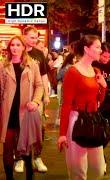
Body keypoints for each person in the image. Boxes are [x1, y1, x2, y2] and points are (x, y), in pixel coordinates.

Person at [57, 35, 107, 180]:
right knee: (78, 171)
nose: (100, 50)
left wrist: (104, 87)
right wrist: (62, 134)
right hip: (76, 121)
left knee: (98, 169)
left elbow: (99, 102)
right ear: (86, 49)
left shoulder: (96, 71)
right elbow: (66, 104)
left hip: (93, 121)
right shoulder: (73, 72)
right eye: (97, 47)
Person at [0, 36, 43, 180]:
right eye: (12, 45)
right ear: (9, 48)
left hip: (26, 111)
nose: (15, 47)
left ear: (23, 47)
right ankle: (9, 177)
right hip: (8, 112)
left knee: (26, 148)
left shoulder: (32, 65)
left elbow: (39, 85)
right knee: (7, 148)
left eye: (18, 45)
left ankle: (30, 175)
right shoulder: (3, 66)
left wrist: (36, 101)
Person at [15, 26, 48, 173]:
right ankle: (20, 158)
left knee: (39, 128)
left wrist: (45, 95)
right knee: (19, 128)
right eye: (32, 37)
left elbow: (43, 76)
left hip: (36, 97)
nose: (34, 40)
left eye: (36, 38)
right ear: (24, 36)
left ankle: (37, 157)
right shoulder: (17, 54)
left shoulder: (39, 54)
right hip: (19, 98)